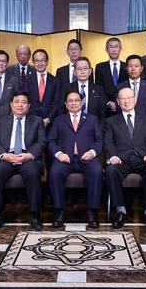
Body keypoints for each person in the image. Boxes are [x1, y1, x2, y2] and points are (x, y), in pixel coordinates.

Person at [104, 87, 146, 229]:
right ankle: (121, 211)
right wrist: (112, 156)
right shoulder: (110, 121)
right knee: (111, 170)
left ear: (135, 99)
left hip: (142, 159)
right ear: (118, 102)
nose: (126, 101)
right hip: (121, 160)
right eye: (122, 99)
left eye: (129, 98)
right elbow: (108, 142)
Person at [0, 92, 46, 230]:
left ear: (29, 105)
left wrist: (29, 155)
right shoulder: (1, 121)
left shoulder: (37, 121)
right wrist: (4, 155)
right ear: (11, 104)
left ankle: (34, 214)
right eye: (17, 102)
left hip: (28, 157)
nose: (20, 105)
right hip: (7, 157)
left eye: (24, 102)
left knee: (33, 173)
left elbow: (42, 141)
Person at [48, 91, 104, 228]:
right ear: (66, 104)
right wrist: (59, 154)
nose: (74, 103)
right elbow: (51, 141)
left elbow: (99, 140)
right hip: (65, 158)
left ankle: (92, 212)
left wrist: (92, 152)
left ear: (81, 102)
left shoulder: (92, 119)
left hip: (87, 158)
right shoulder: (59, 120)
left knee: (97, 171)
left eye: (77, 100)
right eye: (70, 101)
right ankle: (59, 211)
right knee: (54, 172)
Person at [25, 49, 58, 127]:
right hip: (30, 121)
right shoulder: (27, 80)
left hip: (49, 122)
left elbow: (57, 103)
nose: (40, 63)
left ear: (47, 62)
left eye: (42, 60)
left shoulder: (55, 81)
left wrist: (49, 118)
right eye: (37, 61)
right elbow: (24, 100)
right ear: (33, 62)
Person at [95, 37, 128, 115]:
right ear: (106, 50)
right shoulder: (100, 67)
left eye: (116, 46)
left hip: (125, 106)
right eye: (111, 47)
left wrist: (122, 102)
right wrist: (108, 102)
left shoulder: (127, 66)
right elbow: (98, 88)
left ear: (120, 49)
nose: (114, 50)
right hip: (106, 109)